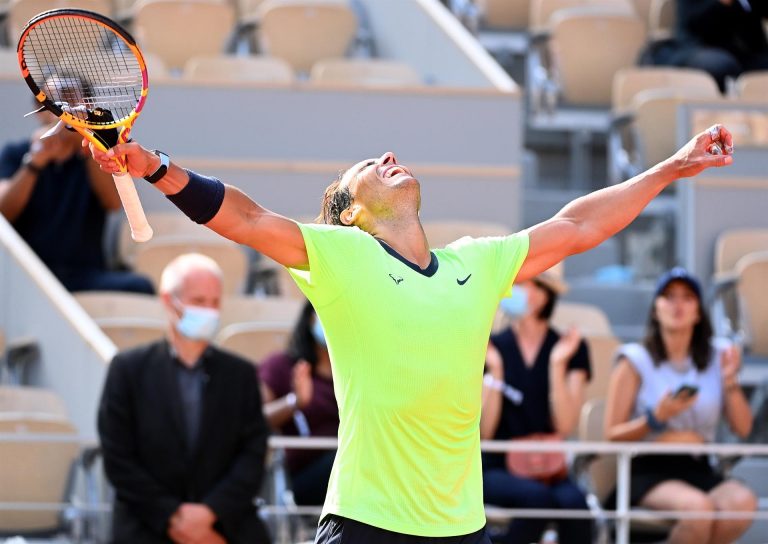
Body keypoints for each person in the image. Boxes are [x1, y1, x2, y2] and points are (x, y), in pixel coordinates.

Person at [88, 121, 734, 543]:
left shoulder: (476, 263)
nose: (389, 157)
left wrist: (670, 168)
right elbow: (247, 219)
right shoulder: (342, 256)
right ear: (350, 213)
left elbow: (579, 226)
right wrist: (156, 166)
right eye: (369, 165)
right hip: (366, 521)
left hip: (461, 526)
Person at [97, 253, 271, 544]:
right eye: (199, 301)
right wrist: (173, 517)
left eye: (215, 302)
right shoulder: (128, 370)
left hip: (227, 526)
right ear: (169, 301)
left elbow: (253, 453)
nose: (209, 311)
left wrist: (210, 513)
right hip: (146, 527)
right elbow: (117, 457)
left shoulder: (240, 374)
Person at [604, 267, 756, 544]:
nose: (678, 305)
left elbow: (743, 428)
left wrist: (730, 381)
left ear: (698, 311)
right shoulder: (634, 359)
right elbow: (612, 434)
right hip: (648, 468)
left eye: (687, 297)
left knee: (743, 503)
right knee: (699, 510)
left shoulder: (718, 356)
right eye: (669, 296)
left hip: (698, 466)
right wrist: (655, 418)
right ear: (655, 309)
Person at [0, 76, 153, 293]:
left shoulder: (97, 154)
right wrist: (35, 162)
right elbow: (4, 213)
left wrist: (87, 147)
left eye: (70, 99)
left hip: (87, 275)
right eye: (52, 100)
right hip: (28, 276)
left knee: (141, 287)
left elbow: (113, 203)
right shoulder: (15, 153)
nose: (62, 109)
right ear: (39, 109)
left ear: (86, 107)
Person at [481, 268, 592, 544]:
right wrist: (496, 371)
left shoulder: (570, 348)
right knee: (536, 500)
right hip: (497, 465)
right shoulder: (490, 347)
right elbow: (485, 432)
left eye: (524, 283)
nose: (514, 290)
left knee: (576, 507)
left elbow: (565, 426)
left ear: (545, 294)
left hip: (549, 467)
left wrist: (557, 364)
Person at [259, 299, 339, 506]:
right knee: (349, 461)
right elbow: (257, 419)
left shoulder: (359, 371)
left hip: (352, 468)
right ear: (310, 318)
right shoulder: (282, 366)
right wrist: (294, 402)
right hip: (304, 477)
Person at [671, 0, 768, 92]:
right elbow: (694, 21)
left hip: (746, 51)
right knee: (720, 65)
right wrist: (722, 3)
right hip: (699, 47)